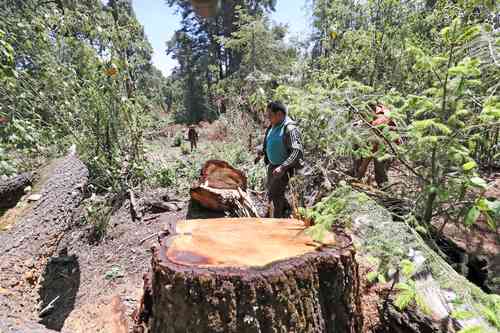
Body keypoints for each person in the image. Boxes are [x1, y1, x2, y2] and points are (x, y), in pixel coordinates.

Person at [255, 101, 303, 218]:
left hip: (285, 168)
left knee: (275, 195)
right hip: (273, 166)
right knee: (272, 192)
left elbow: (297, 152)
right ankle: (286, 211)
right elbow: (268, 143)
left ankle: (276, 221)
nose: (268, 118)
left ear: (280, 114)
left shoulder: (290, 128)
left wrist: (282, 167)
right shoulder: (272, 126)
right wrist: (261, 154)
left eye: (270, 115)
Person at [354, 103, 399, 187]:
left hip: (386, 147)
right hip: (380, 145)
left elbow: (374, 147)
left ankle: (385, 190)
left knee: (380, 171)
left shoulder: (381, 120)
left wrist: (363, 167)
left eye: (364, 115)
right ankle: (358, 175)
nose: (363, 118)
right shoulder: (379, 111)